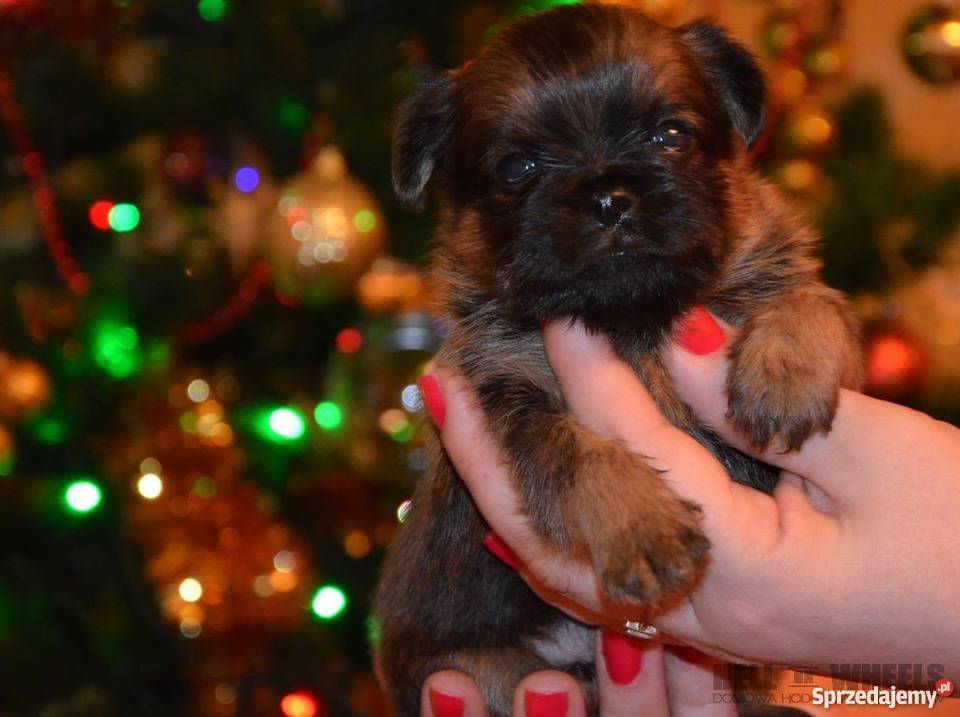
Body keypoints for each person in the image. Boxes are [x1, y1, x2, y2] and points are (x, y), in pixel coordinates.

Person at [412, 308, 960, 717]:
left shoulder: (760, 273)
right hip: (494, 647)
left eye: (669, 143)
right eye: (520, 168)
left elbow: (814, 335)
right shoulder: (509, 320)